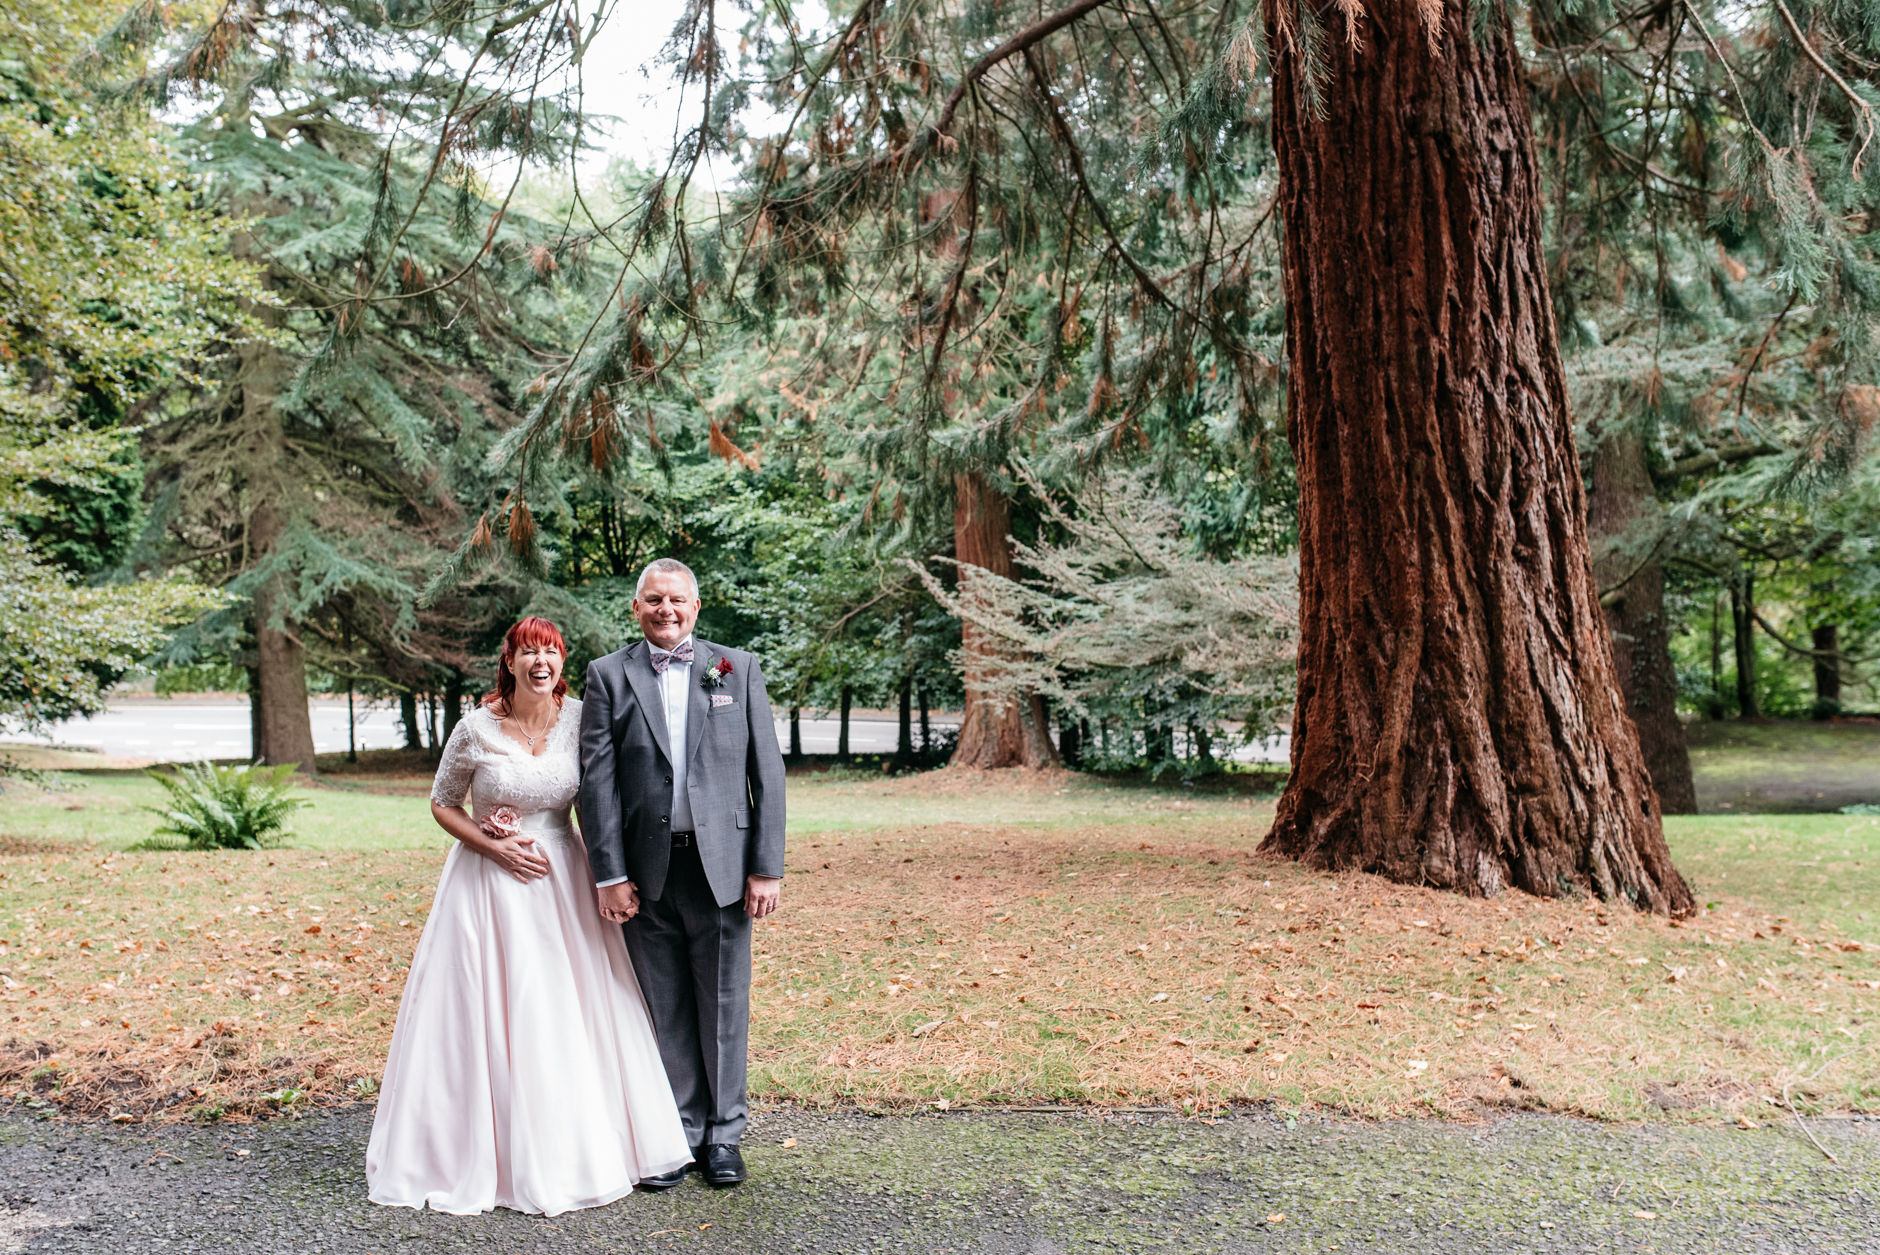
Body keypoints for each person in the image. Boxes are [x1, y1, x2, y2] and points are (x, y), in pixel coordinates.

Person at [366, 616, 690, 1215]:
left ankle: (583, 1143)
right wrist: (491, 845)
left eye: (552, 652)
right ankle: (485, 1147)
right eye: (529, 652)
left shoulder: (581, 716)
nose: (541, 662)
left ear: (562, 662)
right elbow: (442, 803)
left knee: (572, 1007)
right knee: (496, 1008)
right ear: (509, 661)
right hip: (489, 887)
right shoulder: (475, 728)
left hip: (565, 878)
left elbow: (604, 792)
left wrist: (610, 873)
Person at [578, 557, 787, 1189]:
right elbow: (597, 783)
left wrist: (766, 869)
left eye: (677, 601)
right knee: (661, 1004)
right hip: (647, 870)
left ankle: (723, 1136)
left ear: (696, 608)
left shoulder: (736, 668)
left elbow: (766, 774)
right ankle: (676, 1133)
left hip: (724, 868)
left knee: (723, 1001)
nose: (665, 610)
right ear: (635, 607)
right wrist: (608, 871)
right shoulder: (608, 675)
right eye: (653, 600)